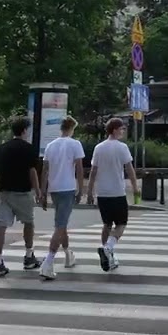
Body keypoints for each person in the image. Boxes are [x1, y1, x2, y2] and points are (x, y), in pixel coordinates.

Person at [0, 116, 44, 277]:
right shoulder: (28, 148)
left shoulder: (2, 148)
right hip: (22, 191)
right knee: (28, 222)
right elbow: (32, 171)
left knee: (0, 225)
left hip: (2, 191)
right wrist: (38, 190)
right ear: (24, 130)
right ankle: (29, 256)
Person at [85, 117, 138, 272]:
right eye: (121, 129)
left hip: (102, 193)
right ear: (114, 130)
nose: (123, 131)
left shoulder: (98, 148)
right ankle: (108, 248)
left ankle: (107, 253)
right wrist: (135, 187)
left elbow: (93, 171)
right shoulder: (122, 148)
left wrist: (89, 192)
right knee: (121, 224)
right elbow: (129, 169)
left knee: (107, 224)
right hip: (117, 192)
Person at [38, 115, 85, 280]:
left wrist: (42, 192)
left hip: (54, 189)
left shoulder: (50, 145)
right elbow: (79, 169)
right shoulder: (75, 144)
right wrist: (81, 189)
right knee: (60, 225)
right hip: (67, 188)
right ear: (72, 128)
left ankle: (68, 254)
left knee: (62, 223)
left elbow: (45, 171)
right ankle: (48, 262)